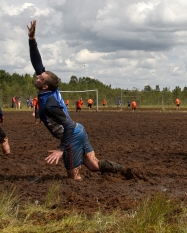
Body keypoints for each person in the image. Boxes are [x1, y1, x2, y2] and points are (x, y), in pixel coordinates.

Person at [27, 20, 124, 180]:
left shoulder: (50, 104)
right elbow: (37, 62)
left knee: (74, 176)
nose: (38, 76)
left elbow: (69, 127)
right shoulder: (50, 90)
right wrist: (32, 40)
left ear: (45, 86)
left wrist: (61, 149)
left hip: (73, 133)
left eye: (41, 77)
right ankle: (124, 171)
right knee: (93, 166)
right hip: (79, 130)